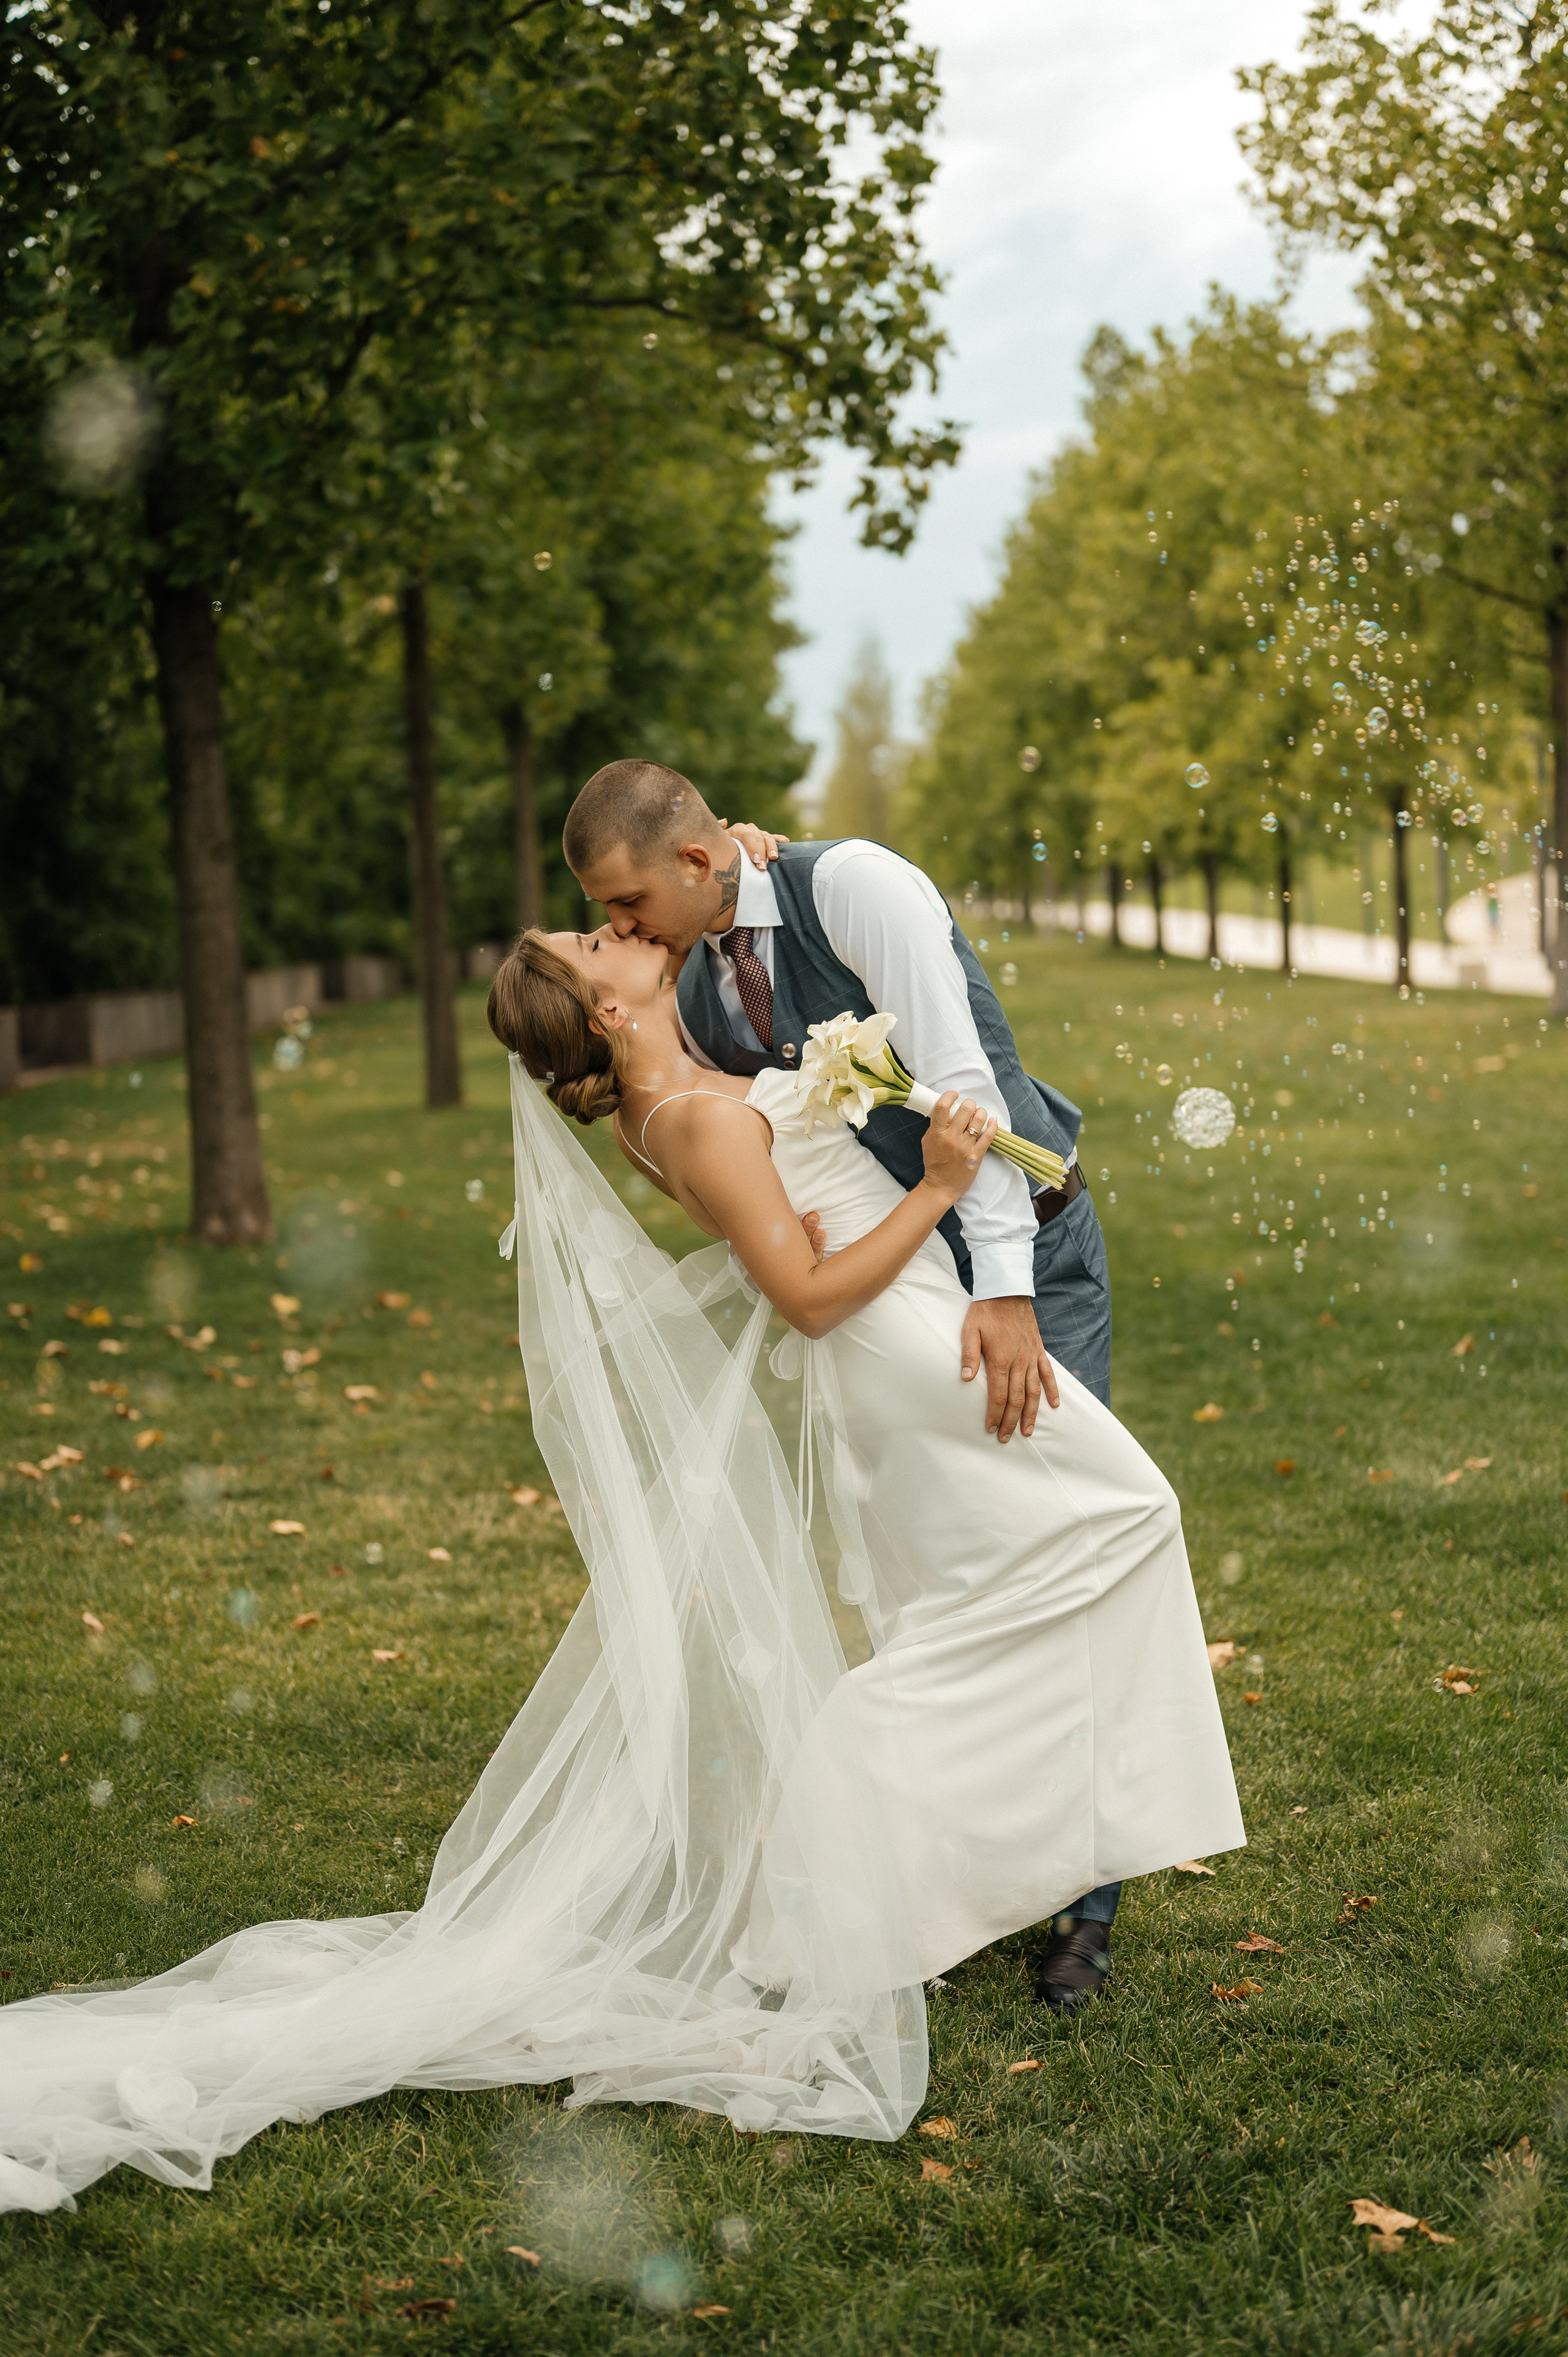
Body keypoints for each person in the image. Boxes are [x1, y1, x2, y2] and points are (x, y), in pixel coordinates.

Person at [562, 761, 1137, 2005]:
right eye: (602, 918)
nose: (618, 930)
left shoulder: (855, 888)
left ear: (700, 863)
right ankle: (951, 1866)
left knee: (1067, 1548)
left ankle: (1080, 1911)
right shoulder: (694, 989)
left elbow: (963, 1082)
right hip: (892, 1305)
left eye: (622, 902)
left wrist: (1002, 1289)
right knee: (944, 1576)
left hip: (1014, 1260)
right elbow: (756, 1161)